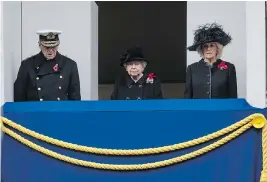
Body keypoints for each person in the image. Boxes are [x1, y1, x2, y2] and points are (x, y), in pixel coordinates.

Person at [14, 30, 81, 102]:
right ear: (40, 45)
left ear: (58, 45)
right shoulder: (27, 65)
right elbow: (19, 99)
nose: (51, 50)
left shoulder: (69, 65)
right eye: (47, 47)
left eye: (54, 47)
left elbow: (75, 101)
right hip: (36, 112)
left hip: (60, 112)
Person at [184, 23, 237, 99]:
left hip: (220, 110)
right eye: (205, 46)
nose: (208, 49)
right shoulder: (192, 68)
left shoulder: (229, 68)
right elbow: (187, 97)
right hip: (199, 110)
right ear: (201, 49)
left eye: (212, 45)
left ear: (217, 48)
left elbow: (233, 97)